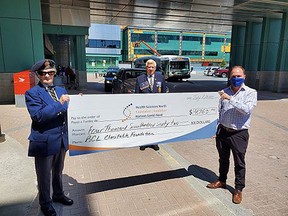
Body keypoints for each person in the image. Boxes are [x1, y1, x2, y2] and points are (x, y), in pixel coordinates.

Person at [25, 59, 73, 216]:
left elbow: (68, 110)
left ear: (54, 73)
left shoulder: (60, 90)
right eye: (43, 73)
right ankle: (45, 204)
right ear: (38, 75)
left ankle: (58, 195)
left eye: (50, 73)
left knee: (58, 171)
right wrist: (60, 103)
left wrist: (78, 102)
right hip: (44, 141)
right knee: (44, 175)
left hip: (60, 139)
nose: (47, 76)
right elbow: (38, 116)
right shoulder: (32, 93)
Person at [206, 66, 257, 204]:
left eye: (239, 76)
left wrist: (230, 99)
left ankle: (238, 189)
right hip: (223, 131)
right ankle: (222, 180)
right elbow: (219, 111)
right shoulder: (224, 92)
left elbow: (247, 110)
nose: (236, 78)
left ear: (244, 77)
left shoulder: (250, 93)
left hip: (239, 134)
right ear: (229, 77)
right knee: (223, 159)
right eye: (233, 76)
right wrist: (214, 129)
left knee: (239, 162)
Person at [135, 59, 167, 151]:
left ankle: (154, 143)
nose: (151, 69)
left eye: (152, 67)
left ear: (155, 68)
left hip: (157, 108)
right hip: (144, 108)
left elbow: (164, 92)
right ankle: (144, 143)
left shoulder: (160, 77)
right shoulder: (140, 79)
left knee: (155, 126)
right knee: (144, 125)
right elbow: (137, 94)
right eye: (149, 67)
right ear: (146, 68)